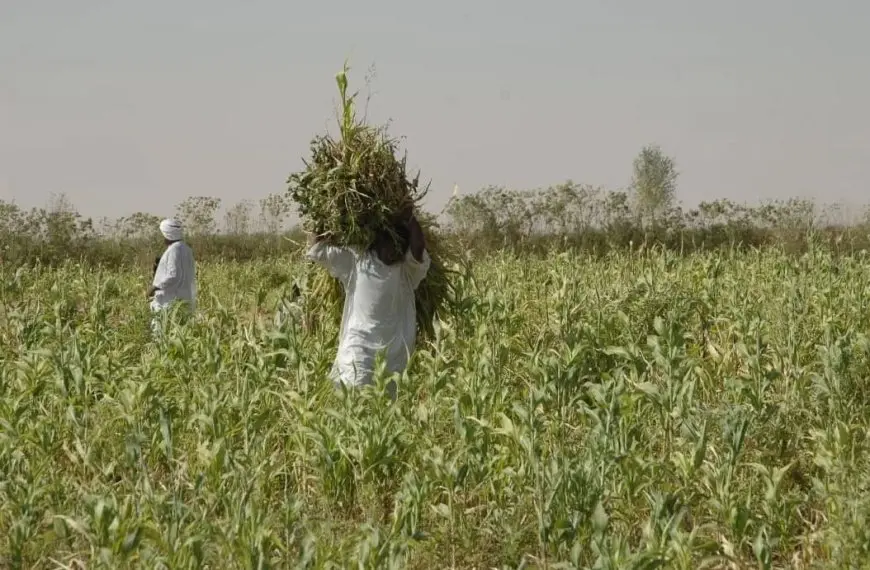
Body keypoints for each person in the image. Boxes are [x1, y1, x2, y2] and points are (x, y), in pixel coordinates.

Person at [307, 209, 430, 399]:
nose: (394, 248)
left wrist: (410, 217)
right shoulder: (356, 260)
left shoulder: (406, 271)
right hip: (358, 351)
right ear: (376, 241)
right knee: (351, 403)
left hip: (393, 357)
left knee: (387, 412)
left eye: (399, 243)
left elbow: (419, 247)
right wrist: (322, 215)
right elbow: (318, 250)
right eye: (390, 241)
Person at [147, 219, 197, 336]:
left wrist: (154, 287)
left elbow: (172, 275)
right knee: (180, 332)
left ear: (167, 234)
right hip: (183, 297)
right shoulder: (186, 249)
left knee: (162, 332)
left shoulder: (174, 250)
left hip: (169, 300)